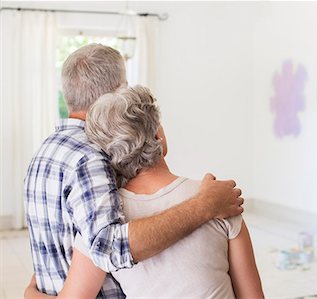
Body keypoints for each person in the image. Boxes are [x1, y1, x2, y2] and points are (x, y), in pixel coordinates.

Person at [24, 44, 244, 298]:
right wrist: (203, 206)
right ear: (117, 94)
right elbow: (109, 248)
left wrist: (33, 294)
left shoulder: (45, 152)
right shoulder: (91, 157)